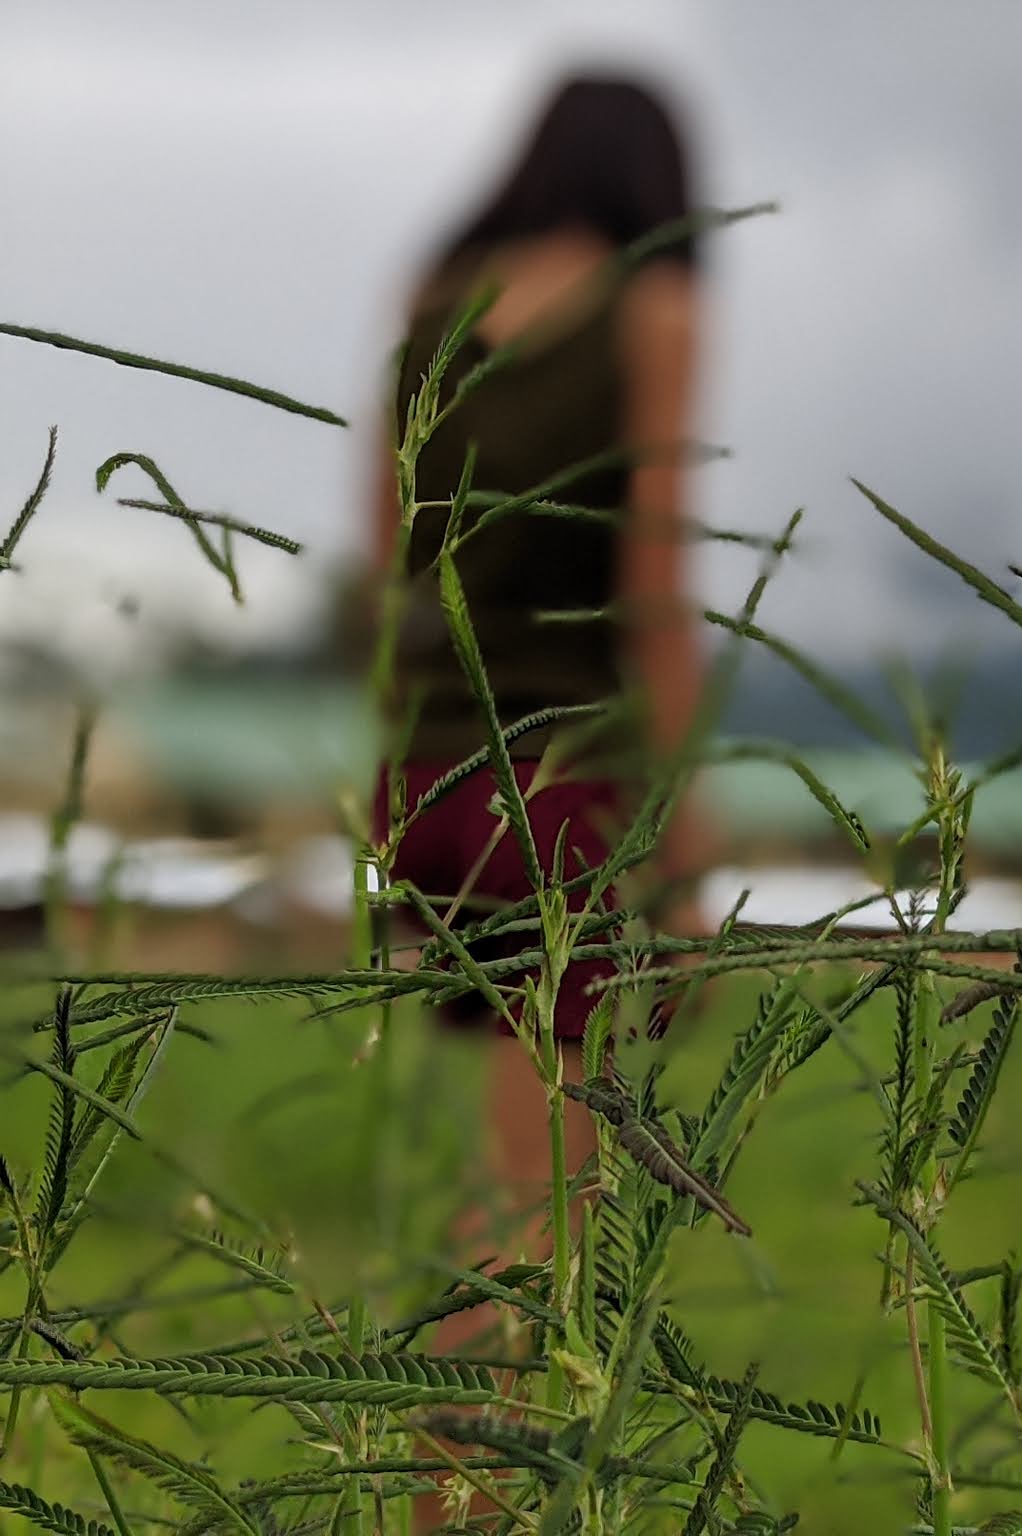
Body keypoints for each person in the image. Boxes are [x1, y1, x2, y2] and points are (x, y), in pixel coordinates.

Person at [366, 73, 708, 1374]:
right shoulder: (652, 311)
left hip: (430, 781)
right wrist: (681, 828)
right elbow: (654, 588)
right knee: (539, 1219)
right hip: (563, 799)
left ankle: (454, 1496)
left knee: (505, 1186)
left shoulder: (426, 309)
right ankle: (457, 1507)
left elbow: (385, 557)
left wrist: (394, 792)